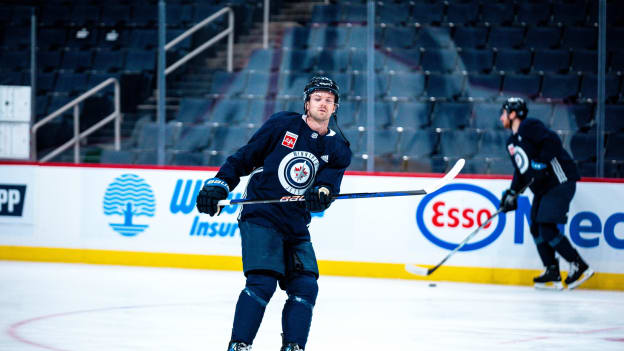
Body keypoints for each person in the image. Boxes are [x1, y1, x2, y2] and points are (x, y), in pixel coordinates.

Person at [196, 76, 351, 351]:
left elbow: (328, 187)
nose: (323, 104)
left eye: (329, 100)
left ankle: (293, 347)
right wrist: (219, 184)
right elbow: (246, 157)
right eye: (318, 98)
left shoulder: (338, 148)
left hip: (295, 223)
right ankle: (239, 345)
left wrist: (322, 195)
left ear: (336, 107)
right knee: (263, 281)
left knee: (305, 287)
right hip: (262, 215)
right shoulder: (283, 124)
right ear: (307, 102)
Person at [498, 97, 594, 290]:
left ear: (513, 114)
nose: (501, 118)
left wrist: (541, 161)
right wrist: (512, 193)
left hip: (560, 181)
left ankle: (579, 266)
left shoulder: (529, 126)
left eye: (503, 113)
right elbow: (521, 171)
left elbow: (553, 141)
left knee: (546, 227)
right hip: (544, 187)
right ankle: (552, 270)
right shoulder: (512, 142)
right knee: (536, 226)